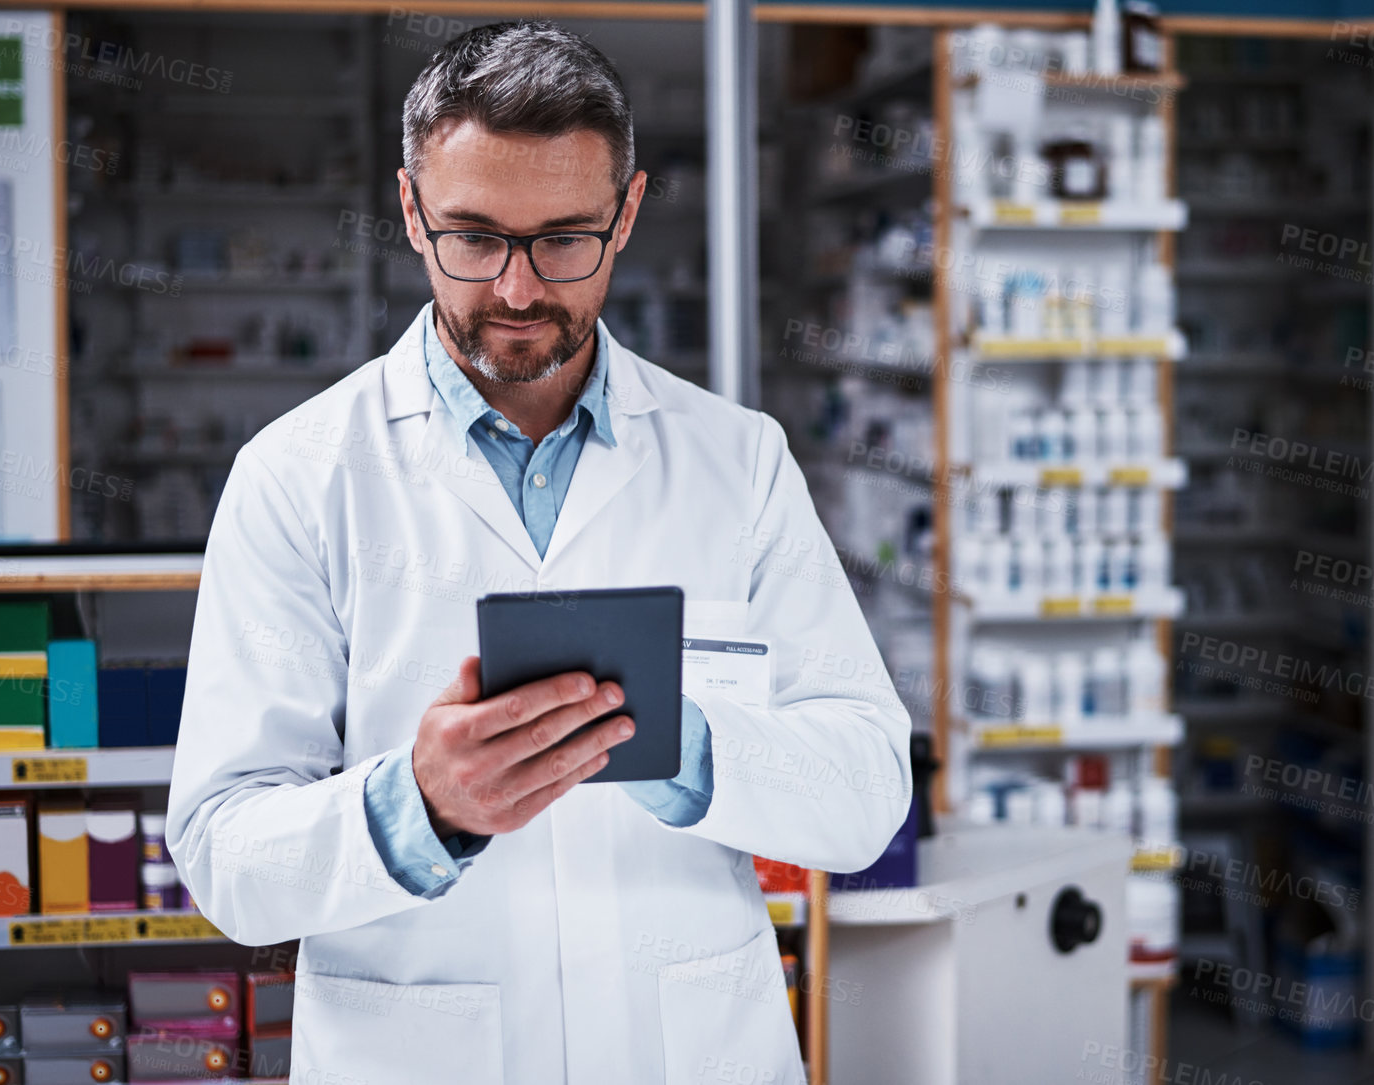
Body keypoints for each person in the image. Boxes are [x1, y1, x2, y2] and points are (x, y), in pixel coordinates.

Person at [165, 20, 911, 1084]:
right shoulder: (299, 473)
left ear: (630, 212)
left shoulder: (736, 461)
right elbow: (226, 861)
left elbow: (869, 787)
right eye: (474, 237)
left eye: (565, 239)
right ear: (412, 212)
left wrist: (690, 748)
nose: (517, 291)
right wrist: (417, 805)